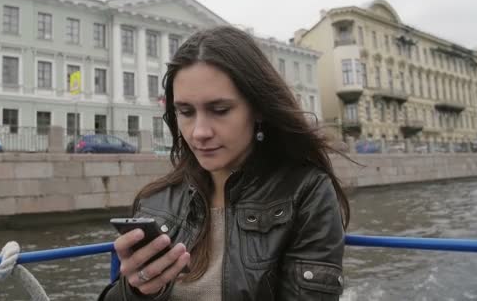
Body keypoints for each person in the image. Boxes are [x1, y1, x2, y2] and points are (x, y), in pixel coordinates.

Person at [99, 26, 350, 300]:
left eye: (219, 110)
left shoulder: (306, 193)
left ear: (259, 109)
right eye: (185, 112)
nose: (199, 132)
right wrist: (136, 289)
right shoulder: (155, 200)